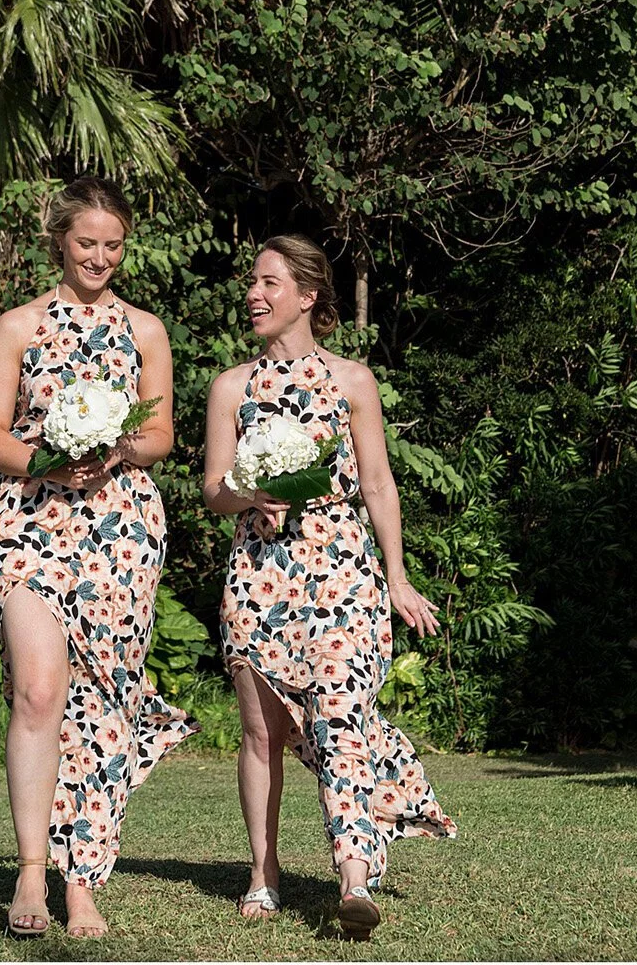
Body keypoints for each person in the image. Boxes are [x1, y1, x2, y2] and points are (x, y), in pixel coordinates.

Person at [202, 235, 456, 941]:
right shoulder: (231, 386)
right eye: (251, 282)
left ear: (308, 296)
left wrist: (398, 578)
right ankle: (263, 873)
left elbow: (377, 482)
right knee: (262, 733)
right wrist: (249, 492)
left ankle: (353, 878)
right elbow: (213, 490)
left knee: (341, 716)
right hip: (258, 574)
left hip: (342, 568)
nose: (252, 294)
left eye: (268, 283)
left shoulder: (353, 381)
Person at [0, 176, 196, 939]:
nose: (100, 256)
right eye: (86, 242)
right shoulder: (19, 325)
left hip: (120, 523)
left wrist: (111, 445)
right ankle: (32, 874)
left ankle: (83, 882)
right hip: (30, 519)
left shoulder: (147, 330)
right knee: (38, 691)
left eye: (113, 244)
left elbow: (162, 435)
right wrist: (47, 458)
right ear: (60, 242)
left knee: (103, 697)